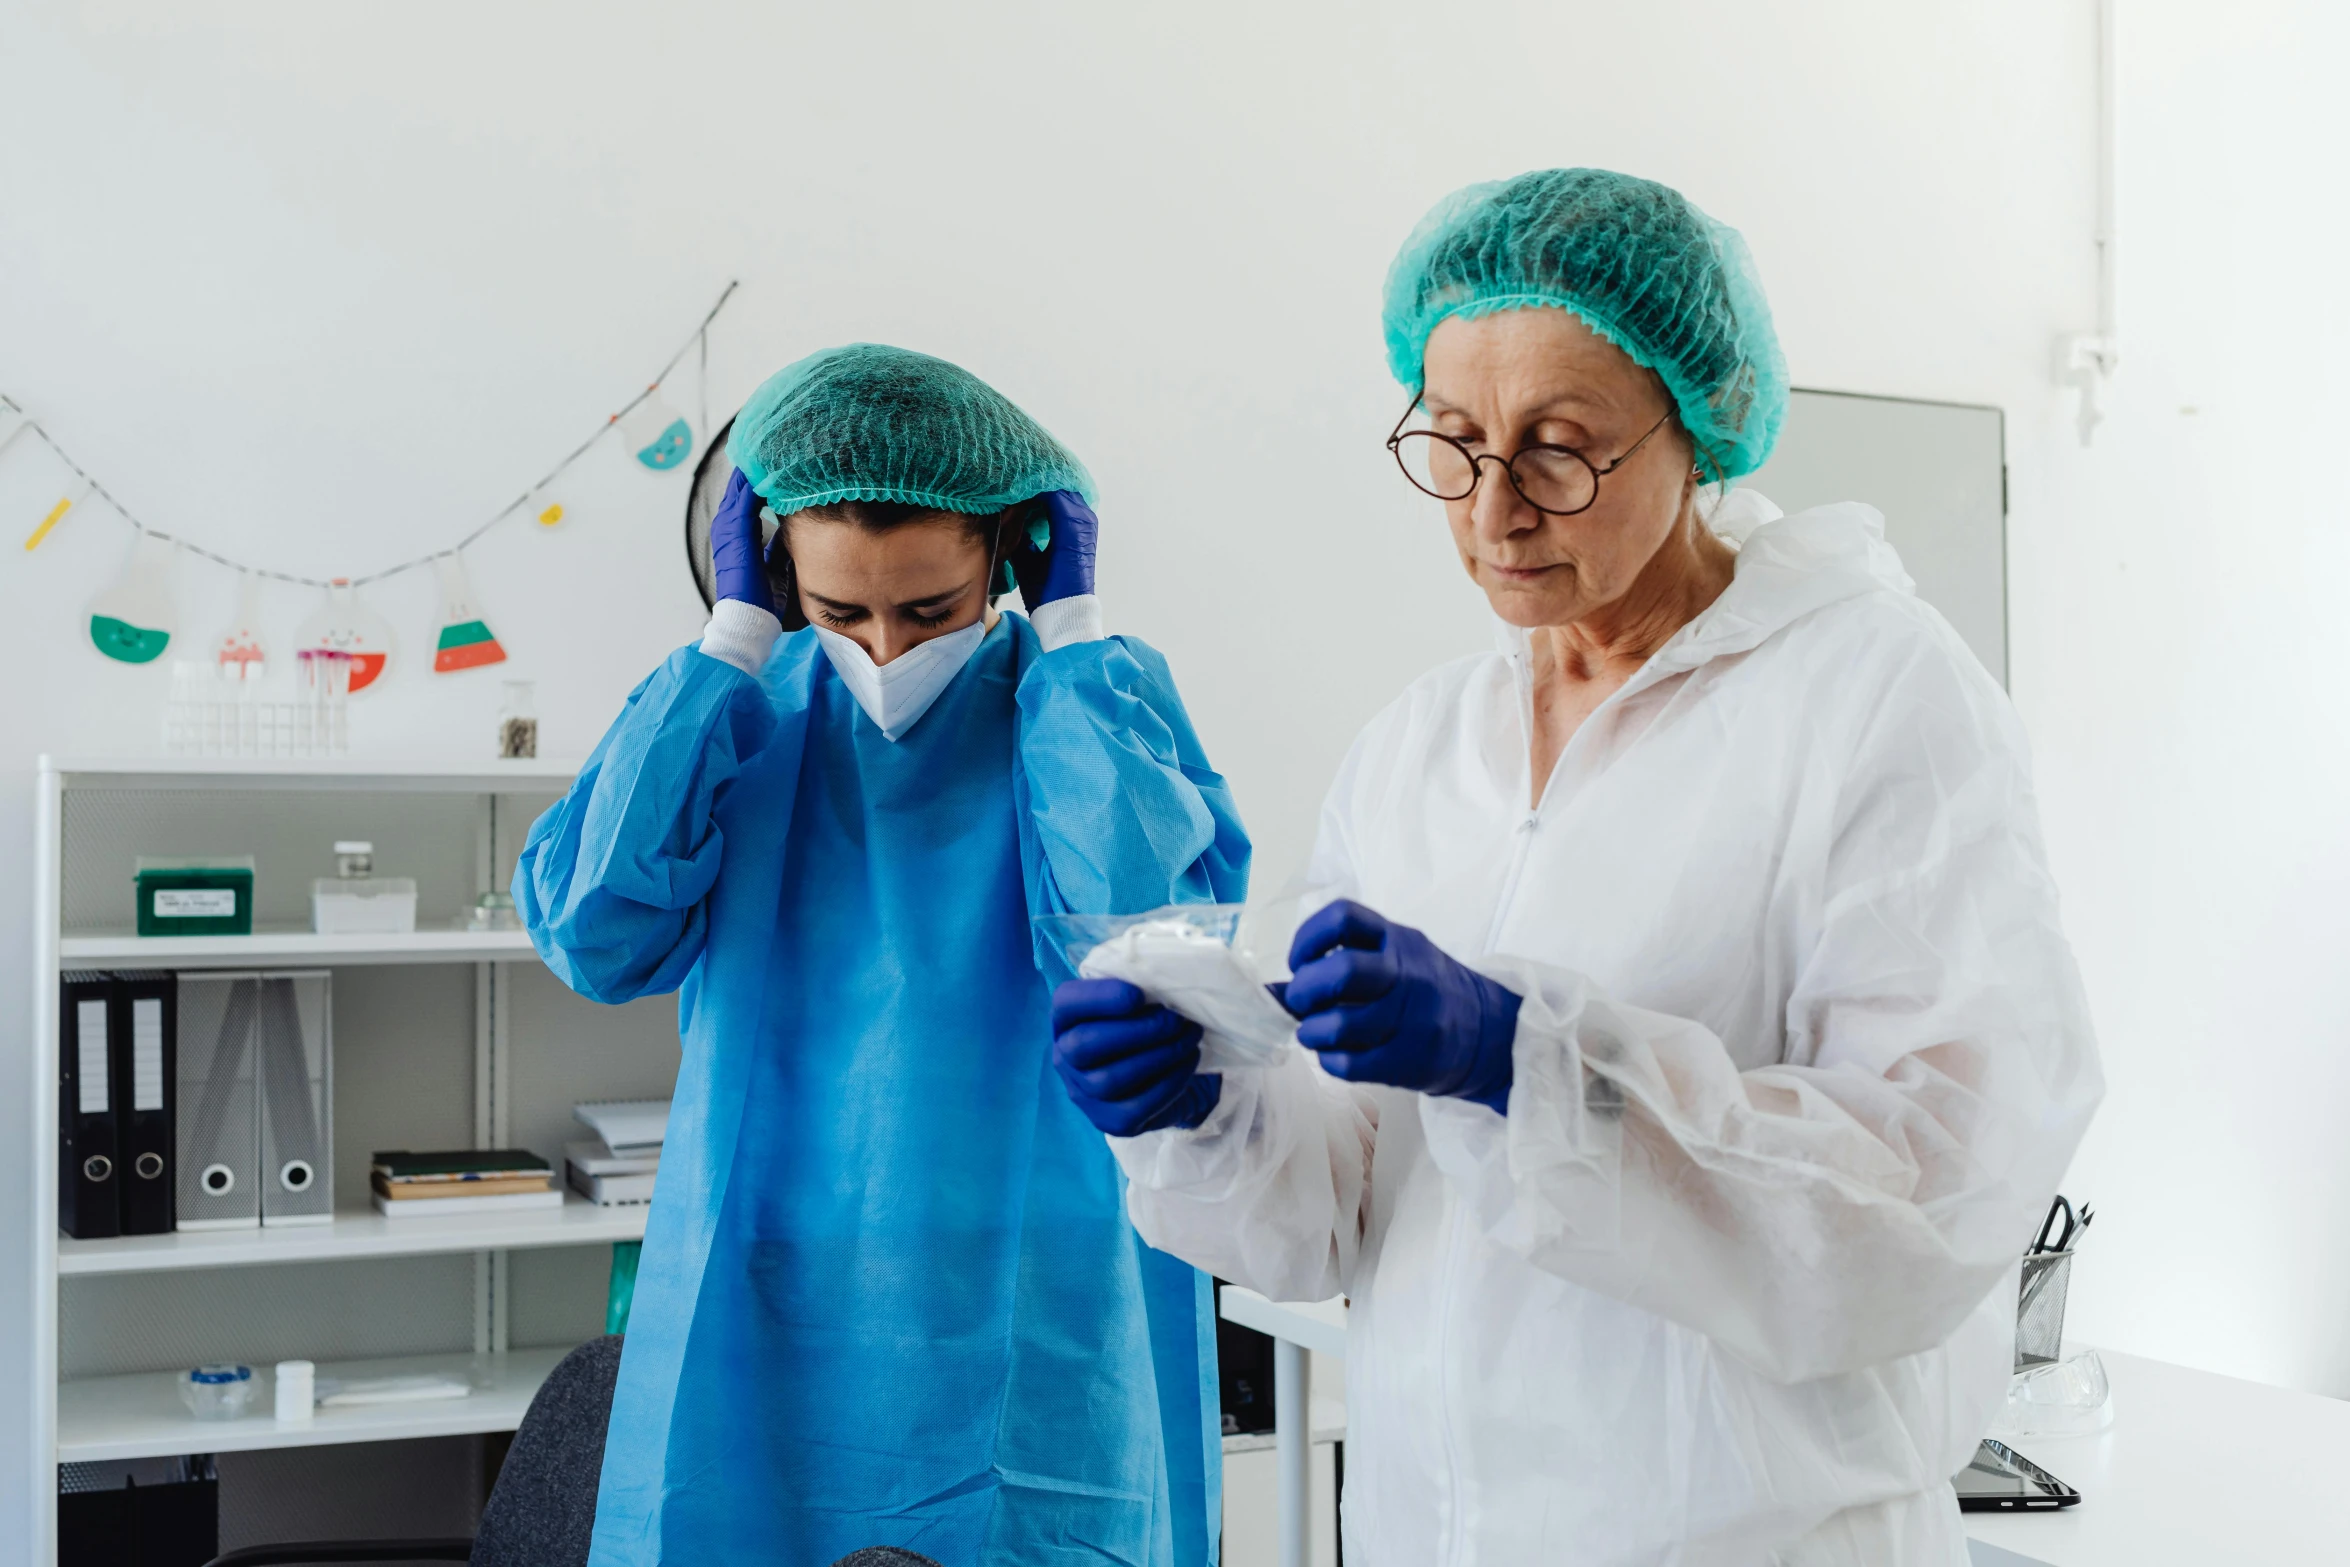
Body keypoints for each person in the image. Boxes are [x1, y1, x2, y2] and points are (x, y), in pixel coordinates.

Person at [1052, 170, 2104, 1565]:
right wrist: (1207, 1104)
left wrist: (1528, 1060)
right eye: (1453, 440)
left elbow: (1928, 1196)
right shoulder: (1423, 744)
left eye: (1559, 448)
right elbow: (1344, 1215)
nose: (1495, 511)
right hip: (1434, 1523)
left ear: (1698, 424)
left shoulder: (1873, 697)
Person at [519, 343, 1247, 1567]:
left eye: (930, 609)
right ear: (770, 570)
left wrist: (1070, 638)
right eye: (837, 609)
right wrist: (734, 643)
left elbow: (1137, 954)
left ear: (1006, 561)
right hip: (769, 1280)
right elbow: (598, 933)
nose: (887, 649)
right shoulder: (736, 713)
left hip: (1039, 1290)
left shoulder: (1085, 709)